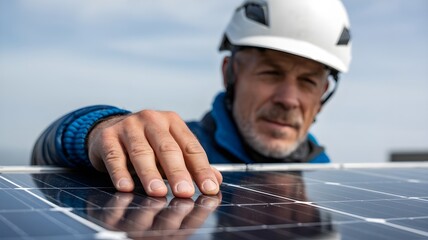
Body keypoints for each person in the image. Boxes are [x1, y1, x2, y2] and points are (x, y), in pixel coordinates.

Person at [31, 0, 352, 198]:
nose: (288, 99)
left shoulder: (326, 173)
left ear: (323, 95)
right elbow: (44, 158)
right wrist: (99, 129)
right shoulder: (166, 151)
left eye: (308, 81)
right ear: (230, 74)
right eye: (270, 73)